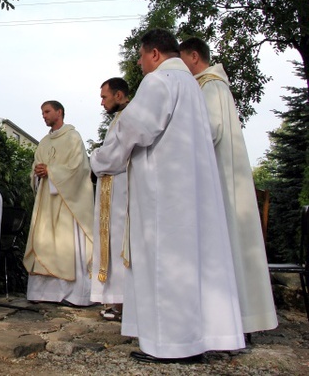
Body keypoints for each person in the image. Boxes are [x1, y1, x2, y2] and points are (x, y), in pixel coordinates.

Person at [90, 28, 244, 363]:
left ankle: (172, 346)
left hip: (165, 194)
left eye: (142, 57)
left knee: (167, 264)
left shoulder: (159, 82)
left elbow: (135, 129)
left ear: (155, 54)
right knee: (192, 263)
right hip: (192, 190)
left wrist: (99, 160)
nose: (141, 65)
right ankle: (195, 339)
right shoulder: (191, 84)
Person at [179, 36, 278, 334]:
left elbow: (210, 130)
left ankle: (230, 320)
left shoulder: (210, 86)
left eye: (182, 59)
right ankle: (238, 319)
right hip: (222, 175)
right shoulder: (213, 85)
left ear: (194, 57)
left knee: (227, 243)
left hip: (219, 180)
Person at [23, 101, 95, 306]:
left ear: (59, 112)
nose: (43, 116)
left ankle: (72, 294)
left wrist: (52, 172)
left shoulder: (73, 137)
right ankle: (43, 293)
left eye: (47, 112)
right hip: (47, 201)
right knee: (44, 243)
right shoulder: (44, 142)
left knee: (67, 245)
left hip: (66, 202)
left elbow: (79, 168)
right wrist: (37, 173)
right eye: (42, 112)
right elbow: (36, 165)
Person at [90, 78, 130, 321]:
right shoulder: (118, 118)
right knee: (113, 244)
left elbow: (117, 155)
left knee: (121, 244)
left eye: (105, 97)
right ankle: (117, 302)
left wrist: (95, 157)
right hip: (112, 190)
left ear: (118, 94)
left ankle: (124, 303)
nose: (102, 102)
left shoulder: (129, 116)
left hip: (124, 190)